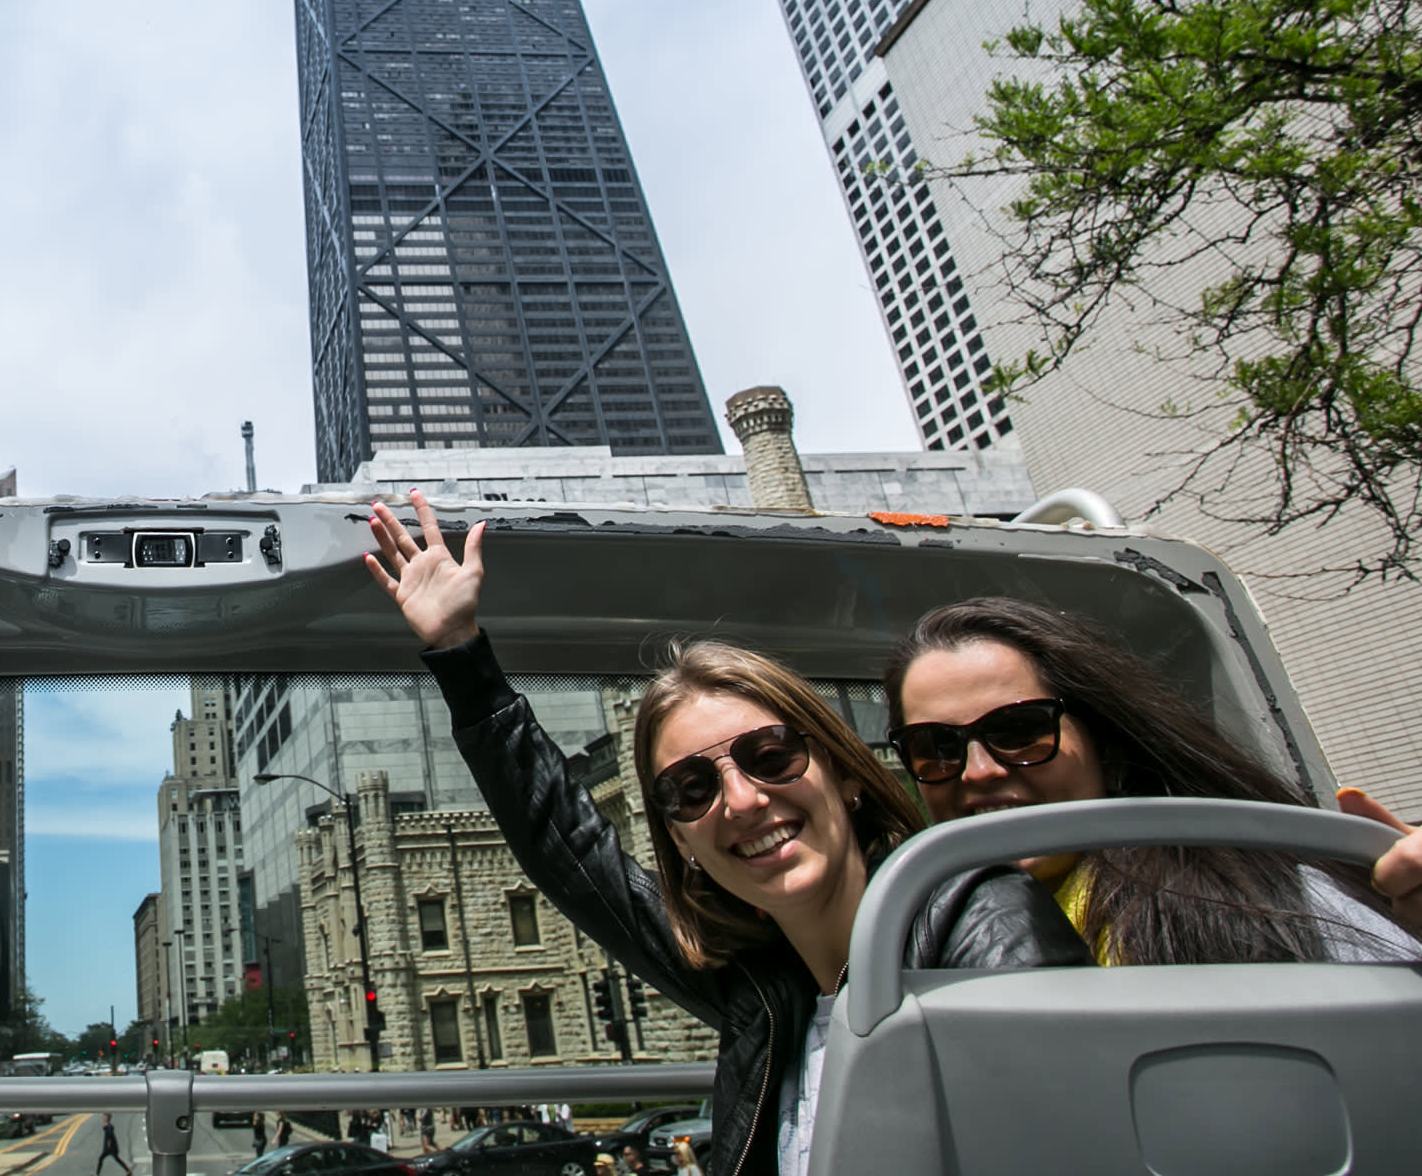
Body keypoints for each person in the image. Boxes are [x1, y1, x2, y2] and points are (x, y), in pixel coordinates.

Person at [365, 493, 1089, 1176]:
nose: (741, 801)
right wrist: (459, 649)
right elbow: (568, 844)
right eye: (692, 789)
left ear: (845, 771)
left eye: (770, 756)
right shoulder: (764, 995)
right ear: (679, 839)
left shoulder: (975, 921)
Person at [885, 597, 1421, 965]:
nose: (979, 771)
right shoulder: (902, 939)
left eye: (1018, 730)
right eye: (936, 746)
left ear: (1108, 745)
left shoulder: (1260, 901)